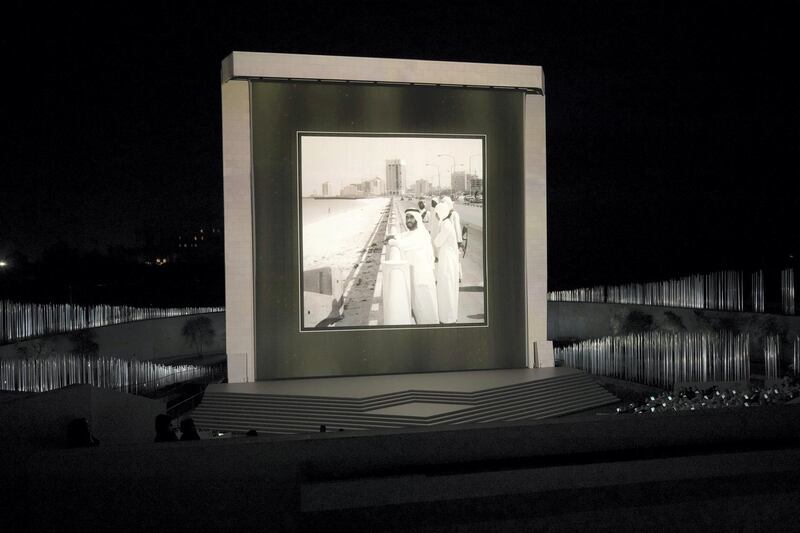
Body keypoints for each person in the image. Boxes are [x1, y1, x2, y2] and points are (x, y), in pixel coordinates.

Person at [385, 209, 439, 325]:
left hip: (423, 277)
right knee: (419, 307)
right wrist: (393, 235)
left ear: (417, 219)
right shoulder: (412, 233)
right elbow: (403, 236)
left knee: (427, 307)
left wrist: (391, 242)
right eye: (407, 217)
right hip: (416, 276)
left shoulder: (421, 234)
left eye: (411, 217)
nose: (408, 220)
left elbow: (403, 244)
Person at [433, 202, 459, 323]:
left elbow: (437, 242)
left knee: (447, 286)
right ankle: (448, 315)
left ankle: (448, 317)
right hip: (447, 258)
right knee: (446, 286)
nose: (436, 216)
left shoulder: (446, 225)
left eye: (437, 213)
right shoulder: (446, 223)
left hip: (448, 260)